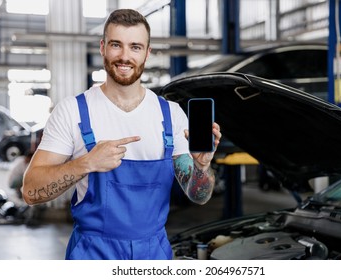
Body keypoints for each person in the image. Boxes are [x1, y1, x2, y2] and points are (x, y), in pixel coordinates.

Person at [22, 8, 221, 260]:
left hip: (154, 254)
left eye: (135, 47)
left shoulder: (171, 115)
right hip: (92, 255)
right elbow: (30, 192)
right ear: (103, 47)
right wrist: (87, 163)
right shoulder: (72, 111)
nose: (125, 56)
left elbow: (198, 195)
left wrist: (202, 167)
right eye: (117, 45)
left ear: (147, 53)